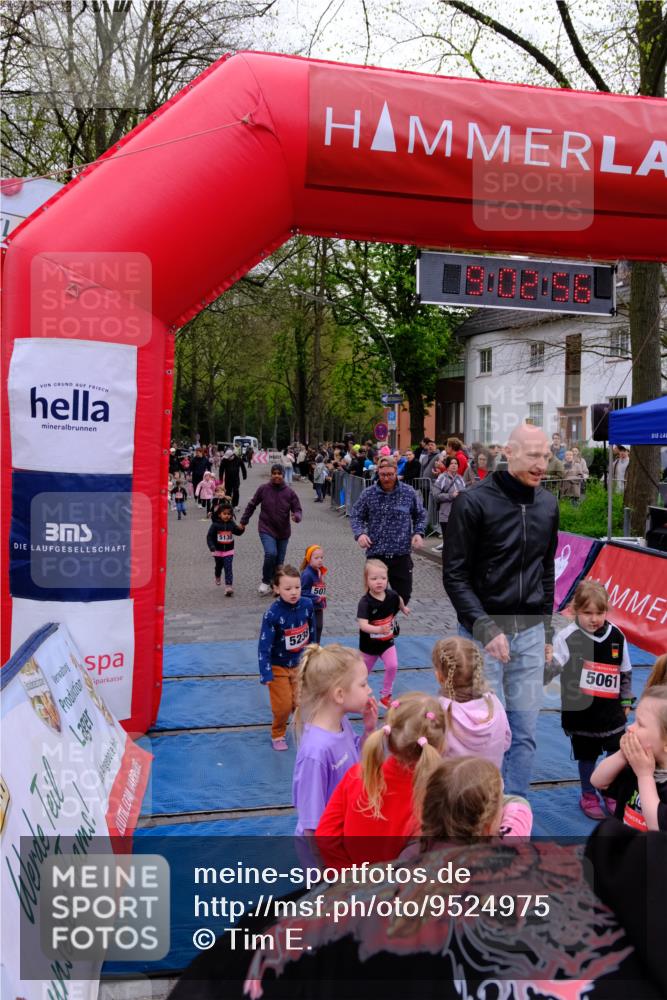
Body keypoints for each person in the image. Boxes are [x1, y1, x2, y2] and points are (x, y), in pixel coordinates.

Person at [443, 423, 559, 797]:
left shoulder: (548, 504)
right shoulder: (473, 502)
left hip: (528, 632)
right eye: (532, 456)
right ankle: (479, 811)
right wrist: (484, 627)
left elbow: (546, 568)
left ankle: (514, 811)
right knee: (482, 733)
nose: (541, 464)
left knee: (524, 732)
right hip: (482, 634)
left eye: (546, 455)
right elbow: (455, 575)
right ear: (508, 452)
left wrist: (545, 632)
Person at [315, 692, 447, 867]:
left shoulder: (357, 775)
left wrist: (348, 876)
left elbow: (325, 835)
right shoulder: (435, 799)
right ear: (440, 744)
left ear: (388, 735)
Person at [549, 580, 633, 819]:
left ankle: (610, 791)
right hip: (582, 715)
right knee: (587, 756)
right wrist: (548, 662)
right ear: (575, 611)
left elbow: (625, 671)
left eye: (600, 612)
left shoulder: (617, 634)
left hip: (611, 713)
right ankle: (588, 794)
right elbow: (552, 670)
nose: (594, 619)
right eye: (587, 613)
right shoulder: (567, 637)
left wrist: (626, 701)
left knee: (616, 753)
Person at [292, 644, 378, 836]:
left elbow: (358, 759)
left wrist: (369, 730)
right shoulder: (316, 752)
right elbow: (311, 825)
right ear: (339, 694)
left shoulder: (342, 722)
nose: (370, 690)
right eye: (363, 684)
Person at [405, 756, 533, 850]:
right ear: (487, 827)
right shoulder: (506, 849)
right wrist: (494, 795)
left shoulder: (414, 853)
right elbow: (519, 805)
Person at [350, 456, 426, 606]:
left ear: (396, 472)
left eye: (390, 474)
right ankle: (379, 625)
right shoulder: (369, 494)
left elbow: (421, 514)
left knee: (403, 597)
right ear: (378, 472)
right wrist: (360, 533)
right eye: (383, 474)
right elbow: (356, 515)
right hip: (376, 553)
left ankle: (388, 620)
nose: (386, 478)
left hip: (401, 553)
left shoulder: (408, 492)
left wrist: (418, 532)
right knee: (375, 597)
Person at [591, 684, 667, 831]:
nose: (630, 728)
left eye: (641, 724)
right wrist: (622, 754)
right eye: (634, 720)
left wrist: (645, 776)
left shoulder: (642, 770)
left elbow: (657, 826)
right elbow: (598, 781)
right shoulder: (637, 765)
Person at [258, 565, 315, 751]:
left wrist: (314, 652)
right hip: (278, 667)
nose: (293, 592)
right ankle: (278, 732)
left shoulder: (307, 605)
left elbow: (312, 629)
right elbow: (264, 645)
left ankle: (301, 729)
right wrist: (265, 672)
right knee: (283, 705)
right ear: (276, 589)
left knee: (300, 702)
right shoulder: (272, 614)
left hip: (299, 664)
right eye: (287, 589)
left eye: (297, 587)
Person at [431, 636, 511, 769]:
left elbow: (429, 752)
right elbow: (506, 741)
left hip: (449, 787)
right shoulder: (493, 702)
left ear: (439, 676)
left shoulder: (438, 711)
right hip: (490, 786)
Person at [241, 464, 302, 595]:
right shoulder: (263, 489)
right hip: (266, 528)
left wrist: (296, 516)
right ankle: (265, 581)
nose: (276, 476)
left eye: (279, 473)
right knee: (271, 554)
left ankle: (277, 584)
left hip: (283, 531)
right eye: (274, 473)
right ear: (271, 474)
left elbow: (297, 509)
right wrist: (243, 521)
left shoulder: (289, 492)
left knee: (279, 561)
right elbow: (252, 505)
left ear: (283, 475)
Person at [357, 559, 409, 709]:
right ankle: (358, 694)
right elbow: (363, 625)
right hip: (369, 646)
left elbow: (398, 599)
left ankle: (385, 696)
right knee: (361, 674)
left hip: (387, 642)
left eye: (383, 578)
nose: (379, 582)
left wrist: (403, 608)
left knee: (393, 665)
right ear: (366, 580)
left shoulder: (391, 595)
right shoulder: (365, 603)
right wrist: (378, 630)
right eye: (374, 579)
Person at [431, 456, 466, 562]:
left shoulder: (460, 478)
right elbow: (436, 495)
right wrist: (451, 495)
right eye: (452, 463)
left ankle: (456, 563)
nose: (454, 465)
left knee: (458, 540)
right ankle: (447, 563)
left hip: (459, 514)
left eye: (456, 463)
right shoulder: (442, 477)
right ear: (447, 466)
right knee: (448, 541)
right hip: (446, 514)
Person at [206, 500, 245, 595]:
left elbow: (237, 532)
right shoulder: (215, 525)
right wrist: (211, 546)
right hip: (217, 550)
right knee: (219, 566)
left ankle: (228, 586)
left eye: (229, 514)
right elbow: (209, 536)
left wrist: (242, 529)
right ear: (219, 514)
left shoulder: (231, 524)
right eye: (224, 514)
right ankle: (217, 575)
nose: (227, 516)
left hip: (229, 550)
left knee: (228, 567)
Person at [300, 545, 327, 643]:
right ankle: (312, 647)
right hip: (311, 607)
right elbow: (302, 592)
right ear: (308, 559)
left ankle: (317, 645)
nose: (320, 560)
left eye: (321, 557)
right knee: (313, 628)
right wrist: (316, 598)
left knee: (319, 627)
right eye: (316, 558)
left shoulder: (319, 570)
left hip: (319, 606)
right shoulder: (307, 574)